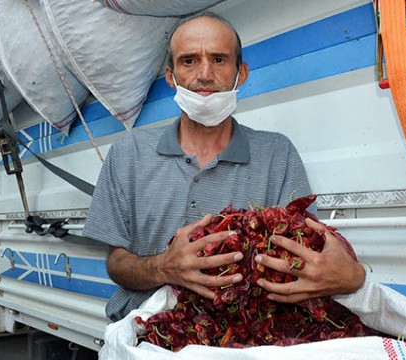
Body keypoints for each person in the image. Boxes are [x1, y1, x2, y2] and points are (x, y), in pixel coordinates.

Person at [83, 12, 365, 322]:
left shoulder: (276, 154)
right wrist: (166, 267)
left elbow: (304, 255)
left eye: (218, 60)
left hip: (241, 335)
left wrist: (353, 276)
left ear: (240, 73)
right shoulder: (128, 153)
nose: (204, 74)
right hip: (147, 332)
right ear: (170, 76)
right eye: (189, 61)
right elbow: (116, 263)